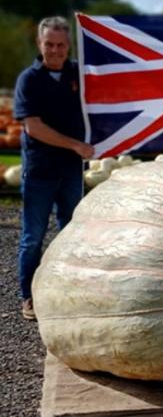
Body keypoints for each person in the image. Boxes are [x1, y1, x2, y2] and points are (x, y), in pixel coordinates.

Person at [13, 16, 94, 320]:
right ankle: (29, 297)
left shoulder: (80, 74)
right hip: (40, 172)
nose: (55, 50)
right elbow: (33, 128)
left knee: (72, 234)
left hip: (72, 171)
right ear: (39, 44)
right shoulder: (29, 80)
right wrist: (75, 145)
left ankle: (67, 292)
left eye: (61, 44)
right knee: (33, 236)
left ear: (69, 45)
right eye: (49, 44)